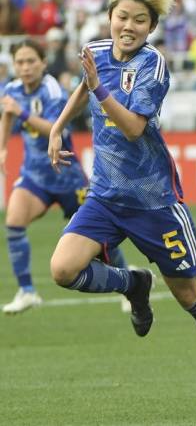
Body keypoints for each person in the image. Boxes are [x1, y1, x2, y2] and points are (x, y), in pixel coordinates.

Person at [46, 0, 196, 411]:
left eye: (140, 20)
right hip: (105, 196)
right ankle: (133, 283)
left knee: (189, 295)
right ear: (110, 17)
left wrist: (99, 88)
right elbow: (85, 87)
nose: (129, 26)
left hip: (155, 204)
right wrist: (58, 125)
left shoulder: (152, 65)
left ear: (152, 27)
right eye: (122, 17)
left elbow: (135, 127)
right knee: (63, 270)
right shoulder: (98, 51)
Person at [0, 39, 128, 315]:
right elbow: (6, 115)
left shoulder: (53, 91)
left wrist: (19, 112)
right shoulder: (12, 89)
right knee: (13, 221)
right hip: (35, 176)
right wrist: (2, 148)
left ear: (43, 63)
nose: (24, 67)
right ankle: (27, 292)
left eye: (30, 61)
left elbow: (53, 129)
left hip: (68, 177)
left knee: (99, 239)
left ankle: (128, 283)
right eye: (19, 62)